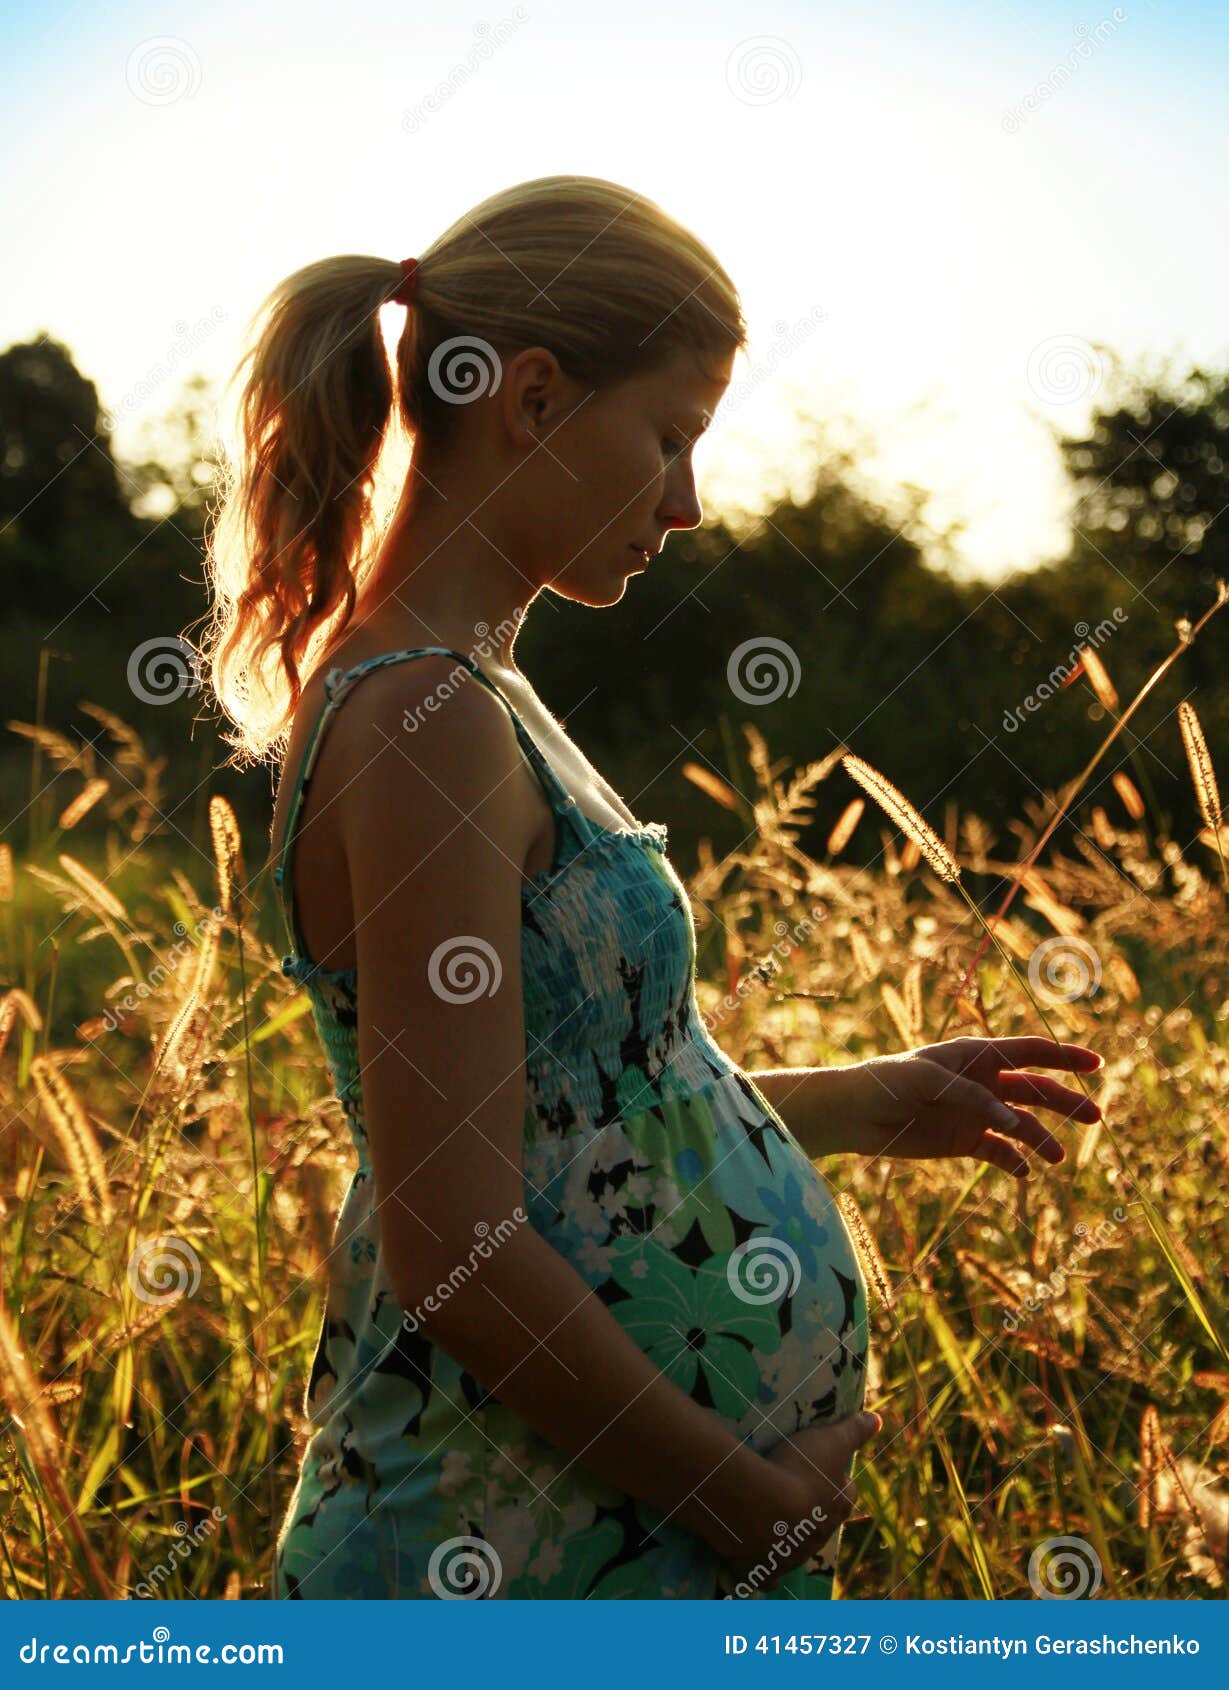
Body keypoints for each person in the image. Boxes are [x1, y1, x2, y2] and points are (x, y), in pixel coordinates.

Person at [200, 174, 1103, 1599]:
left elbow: (563, 1122)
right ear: (539, 398)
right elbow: (453, 1246)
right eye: (671, 437)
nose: (685, 503)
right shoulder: (419, 721)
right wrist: (747, 1506)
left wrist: (858, 1097)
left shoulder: (474, 693)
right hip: (493, 1547)